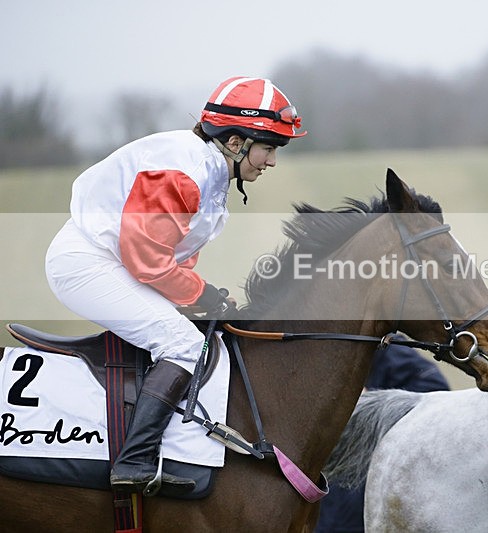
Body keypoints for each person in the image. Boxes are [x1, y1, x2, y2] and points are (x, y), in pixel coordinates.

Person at [45, 76, 306, 495]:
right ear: (235, 142)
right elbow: (146, 257)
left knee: (198, 333)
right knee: (183, 345)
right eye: (269, 148)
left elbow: (174, 255)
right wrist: (201, 294)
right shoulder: (186, 170)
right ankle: (134, 461)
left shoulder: (210, 172)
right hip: (89, 264)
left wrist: (204, 297)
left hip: (117, 263)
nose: (272, 161)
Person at [314, 344, 450, 533]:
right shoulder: (320, 353)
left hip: (363, 477)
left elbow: (433, 398)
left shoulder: (385, 350)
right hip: (331, 483)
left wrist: (369, 402)